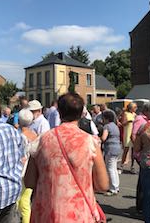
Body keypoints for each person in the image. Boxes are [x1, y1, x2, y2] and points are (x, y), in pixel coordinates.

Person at [24, 92, 109, 222]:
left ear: (59, 111)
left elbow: (29, 181)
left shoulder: (41, 141)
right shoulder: (89, 142)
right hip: (78, 213)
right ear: (82, 113)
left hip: (46, 212)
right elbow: (103, 185)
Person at [17, 109, 38, 223]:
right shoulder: (34, 135)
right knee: (25, 200)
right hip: (32, 170)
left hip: (20, 170)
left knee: (18, 200)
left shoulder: (18, 135)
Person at [101, 110, 121, 196]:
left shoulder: (107, 126)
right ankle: (116, 187)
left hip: (110, 148)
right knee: (114, 168)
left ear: (106, 118)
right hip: (117, 148)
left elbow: (103, 138)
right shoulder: (115, 126)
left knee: (110, 168)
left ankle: (113, 188)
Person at [120, 102, 137, 174]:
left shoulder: (135, 115)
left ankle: (132, 166)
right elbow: (122, 123)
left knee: (133, 150)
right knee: (126, 149)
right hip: (127, 133)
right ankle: (122, 164)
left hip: (133, 133)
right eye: (134, 107)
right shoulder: (125, 114)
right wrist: (128, 121)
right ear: (131, 108)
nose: (135, 109)